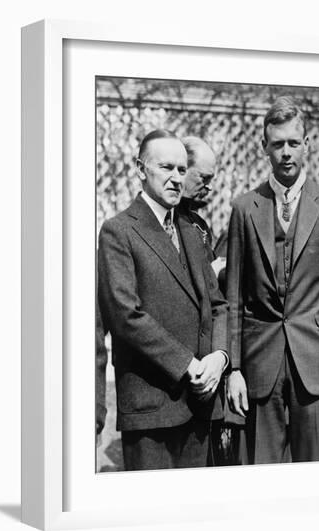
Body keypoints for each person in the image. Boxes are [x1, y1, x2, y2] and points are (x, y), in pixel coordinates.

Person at [226, 97, 319, 463]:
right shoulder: (243, 208)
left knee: (315, 471)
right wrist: (234, 369)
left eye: (293, 144)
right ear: (264, 147)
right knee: (261, 470)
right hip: (259, 364)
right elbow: (233, 296)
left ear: (307, 144)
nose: (286, 153)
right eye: (277, 144)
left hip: (314, 363)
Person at [97, 129, 229, 471]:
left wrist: (219, 356)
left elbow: (217, 305)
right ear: (141, 169)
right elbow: (126, 315)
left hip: (200, 404)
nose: (175, 178)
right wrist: (188, 365)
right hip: (151, 409)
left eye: (182, 170)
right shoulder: (119, 231)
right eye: (166, 167)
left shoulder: (191, 230)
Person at [179, 136, 226, 281]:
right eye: (204, 178)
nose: (209, 187)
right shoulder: (162, 220)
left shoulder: (199, 223)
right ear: (182, 170)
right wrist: (211, 273)